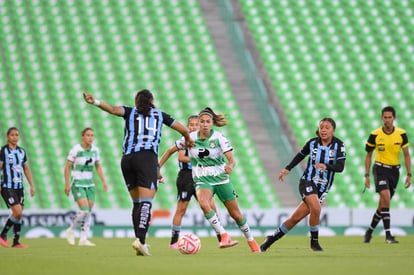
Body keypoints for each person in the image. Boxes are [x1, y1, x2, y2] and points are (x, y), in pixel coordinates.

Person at [83, 90, 193, 256]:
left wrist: (95, 101)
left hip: (127, 160)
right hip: (146, 158)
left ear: (136, 101)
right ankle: (141, 241)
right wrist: (188, 138)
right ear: (152, 101)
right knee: (146, 201)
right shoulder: (160, 115)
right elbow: (183, 129)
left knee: (136, 202)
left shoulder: (130, 111)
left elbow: (112, 109)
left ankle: (140, 240)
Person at [175, 107, 260, 253]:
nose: (205, 124)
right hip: (203, 180)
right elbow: (172, 150)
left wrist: (230, 166)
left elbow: (232, 159)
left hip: (221, 179)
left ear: (212, 123)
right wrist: (158, 167)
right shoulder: (190, 138)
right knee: (203, 203)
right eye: (202, 122)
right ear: (199, 123)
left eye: (208, 121)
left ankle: (252, 241)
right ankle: (224, 235)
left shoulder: (219, 138)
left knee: (236, 215)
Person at [260, 118, 346, 252]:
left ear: (333, 130)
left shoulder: (339, 146)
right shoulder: (312, 143)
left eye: (327, 127)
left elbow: (340, 167)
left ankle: (271, 239)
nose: (323, 130)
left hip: (322, 188)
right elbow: (300, 155)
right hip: (307, 181)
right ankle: (314, 243)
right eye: (321, 127)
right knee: (316, 209)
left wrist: (326, 166)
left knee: (295, 219)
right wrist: (288, 168)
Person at [158, 115, 221, 248]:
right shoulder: (185, 140)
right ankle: (174, 241)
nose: (193, 127)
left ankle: (222, 237)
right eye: (191, 125)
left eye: (196, 125)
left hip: (202, 177)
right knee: (181, 209)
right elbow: (180, 157)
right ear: (188, 127)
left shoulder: (205, 140)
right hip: (186, 177)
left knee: (212, 207)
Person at [363, 106, 411, 244]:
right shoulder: (375, 134)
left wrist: (409, 174)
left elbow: (406, 155)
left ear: (394, 118)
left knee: (382, 205)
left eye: (390, 117)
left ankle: (369, 232)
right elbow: (368, 155)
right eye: (385, 117)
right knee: (386, 198)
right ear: (381, 118)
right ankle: (388, 236)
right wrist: (366, 175)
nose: (388, 120)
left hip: (394, 172)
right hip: (380, 169)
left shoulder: (401, 134)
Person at [64, 127, 108, 246]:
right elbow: (67, 166)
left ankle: (83, 238)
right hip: (77, 183)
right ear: (82, 137)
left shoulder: (95, 150)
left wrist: (104, 181)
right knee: (84, 210)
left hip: (90, 184)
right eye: (88, 135)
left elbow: (98, 166)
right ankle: (71, 230)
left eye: (92, 135)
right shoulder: (76, 149)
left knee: (88, 211)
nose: (90, 138)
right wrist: (67, 184)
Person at [0, 127, 35, 248]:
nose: (15, 137)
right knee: (17, 211)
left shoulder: (22, 152)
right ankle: (3, 234)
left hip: (19, 186)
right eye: (12, 135)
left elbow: (26, 168)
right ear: (7, 137)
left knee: (19, 214)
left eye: (17, 135)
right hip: (7, 186)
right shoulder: (3, 151)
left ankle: (16, 242)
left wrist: (31, 185)